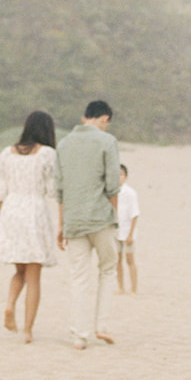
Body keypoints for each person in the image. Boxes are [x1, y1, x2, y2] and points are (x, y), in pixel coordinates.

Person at [55, 100, 121, 349]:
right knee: (107, 269)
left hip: (73, 218)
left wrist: (61, 225)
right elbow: (113, 185)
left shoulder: (64, 144)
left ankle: (78, 335)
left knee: (79, 277)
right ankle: (101, 326)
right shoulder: (107, 142)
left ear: (85, 117)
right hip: (101, 218)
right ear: (104, 119)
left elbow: (59, 189)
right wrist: (114, 216)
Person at [0, 110, 58, 343]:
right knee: (34, 277)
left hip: (11, 211)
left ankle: (9, 305)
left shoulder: (7, 153)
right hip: (34, 212)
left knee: (19, 271)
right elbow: (52, 189)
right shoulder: (47, 154)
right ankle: (28, 330)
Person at [115, 163, 140, 294]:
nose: (119, 177)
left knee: (130, 259)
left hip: (127, 231)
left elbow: (134, 215)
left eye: (121, 175)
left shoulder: (130, 193)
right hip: (116, 232)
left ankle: (134, 288)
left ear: (125, 176)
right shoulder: (111, 193)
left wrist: (130, 234)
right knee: (117, 260)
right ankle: (121, 287)